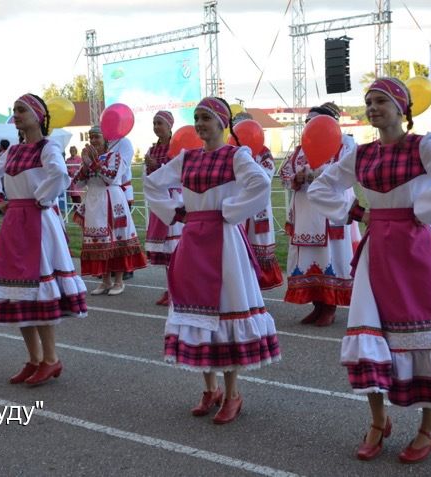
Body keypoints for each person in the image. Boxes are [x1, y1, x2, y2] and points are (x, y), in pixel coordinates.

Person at [308, 78, 431, 463]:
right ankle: (378, 420)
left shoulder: (423, 145)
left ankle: (429, 423)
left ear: (402, 108)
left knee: (424, 331)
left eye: (381, 102)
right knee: (369, 333)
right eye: (369, 102)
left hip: (415, 249)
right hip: (377, 251)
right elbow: (323, 187)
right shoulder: (361, 153)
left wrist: (422, 211)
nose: (373, 108)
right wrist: (356, 212)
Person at [144, 96, 281, 425]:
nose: (201, 123)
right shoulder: (187, 158)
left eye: (207, 117)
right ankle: (210, 388)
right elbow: (152, 183)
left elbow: (261, 182)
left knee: (225, 311)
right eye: (197, 118)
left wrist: (229, 212)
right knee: (196, 311)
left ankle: (232, 392)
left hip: (223, 241)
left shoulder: (237, 156)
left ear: (223, 122)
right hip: (193, 240)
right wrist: (175, 212)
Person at [0, 94, 88, 385]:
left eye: (22, 109)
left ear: (39, 115)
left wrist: (40, 199)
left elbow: (60, 175)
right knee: (18, 292)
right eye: (15, 110)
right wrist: (0, 202)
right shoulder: (13, 150)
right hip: (16, 222)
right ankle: (34, 359)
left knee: (39, 290)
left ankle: (50, 358)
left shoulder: (48, 147)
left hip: (38, 221)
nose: (17, 114)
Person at [280, 102, 357, 326]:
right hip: (305, 213)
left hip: (329, 212)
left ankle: (329, 306)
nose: (309, 126)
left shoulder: (345, 145)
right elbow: (285, 173)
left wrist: (312, 174)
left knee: (330, 256)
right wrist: (297, 177)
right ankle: (317, 304)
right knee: (308, 256)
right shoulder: (299, 150)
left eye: (313, 122)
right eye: (306, 122)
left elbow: (344, 171)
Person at [74, 126, 146, 296]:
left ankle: (119, 281)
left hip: (112, 201)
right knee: (99, 241)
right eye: (91, 137)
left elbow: (112, 177)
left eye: (97, 137)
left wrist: (94, 163)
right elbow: (77, 184)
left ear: (105, 139)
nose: (93, 140)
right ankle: (105, 281)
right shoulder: (87, 158)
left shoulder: (115, 156)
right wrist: (85, 167)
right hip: (94, 202)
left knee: (116, 240)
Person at [233, 112, 283, 291]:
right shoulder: (231, 150)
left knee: (258, 241)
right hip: (237, 204)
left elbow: (265, 177)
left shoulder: (263, 152)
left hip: (257, 208)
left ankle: (259, 284)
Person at [143, 110, 183, 305]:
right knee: (167, 251)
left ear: (169, 126)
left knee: (176, 249)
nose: (156, 127)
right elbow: (148, 178)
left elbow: (177, 173)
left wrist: (157, 166)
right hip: (159, 201)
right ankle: (170, 288)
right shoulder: (152, 149)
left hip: (173, 199)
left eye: (160, 123)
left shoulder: (176, 148)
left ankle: (179, 290)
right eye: (154, 123)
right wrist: (150, 166)